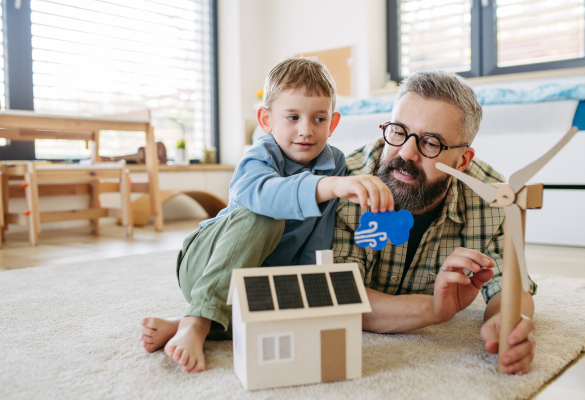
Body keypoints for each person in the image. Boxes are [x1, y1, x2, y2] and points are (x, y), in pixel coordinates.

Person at [140, 57, 394, 373]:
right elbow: (263, 196)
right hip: (206, 263)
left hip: (254, 283)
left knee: (293, 310)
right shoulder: (259, 155)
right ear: (266, 120)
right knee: (265, 215)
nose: (306, 130)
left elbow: (319, 235)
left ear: (333, 123)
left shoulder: (335, 162)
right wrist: (329, 185)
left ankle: (183, 323)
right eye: (292, 117)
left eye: (318, 119)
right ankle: (196, 321)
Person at [333, 70, 538, 375]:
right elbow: (341, 296)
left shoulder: (492, 197)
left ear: (463, 161)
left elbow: (508, 283)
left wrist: (506, 321)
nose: (406, 152)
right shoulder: (344, 184)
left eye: (430, 143)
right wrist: (433, 310)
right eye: (398, 131)